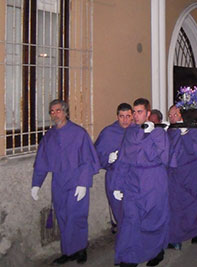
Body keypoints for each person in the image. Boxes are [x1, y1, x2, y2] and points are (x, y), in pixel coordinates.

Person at [31, 99, 100, 264]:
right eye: (52, 111)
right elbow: (42, 161)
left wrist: (83, 183)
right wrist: (36, 184)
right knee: (62, 217)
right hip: (59, 182)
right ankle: (68, 251)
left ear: (65, 112)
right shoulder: (49, 136)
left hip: (76, 180)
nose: (55, 114)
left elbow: (87, 160)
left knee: (77, 217)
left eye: (58, 110)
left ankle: (81, 249)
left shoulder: (79, 133)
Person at [111, 98, 169, 267]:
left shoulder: (159, 133)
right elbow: (122, 159)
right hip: (132, 180)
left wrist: (149, 135)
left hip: (153, 180)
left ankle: (157, 251)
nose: (136, 116)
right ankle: (129, 257)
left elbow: (162, 157)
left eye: (140, 112)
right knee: (131, 220)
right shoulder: (129, 132)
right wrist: (117, 185)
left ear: (148, 113)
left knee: (153, 219)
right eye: (134, 112)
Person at [166, 105, 197, 248]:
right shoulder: (169, 131)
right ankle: (176, 237)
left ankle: (195, 231)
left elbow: (195, 150)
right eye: (170, 115)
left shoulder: (192, 130)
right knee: (176, 205)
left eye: (175, 114)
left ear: (182, 115)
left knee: (194, 204)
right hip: (175, 173)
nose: (172, 117)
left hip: (192, 171)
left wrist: (185, 134)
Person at [94, 103, 134, 231]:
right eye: (122, 116)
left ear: (132, 116)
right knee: (120, 213)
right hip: (115, 176)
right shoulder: (108, 132)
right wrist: (107, 158)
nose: (125, 120)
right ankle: (125, 241)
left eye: (128, 116)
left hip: (134, 177)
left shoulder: (137, 130)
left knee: (134, 212)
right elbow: (96, 155)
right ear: (117, 116)